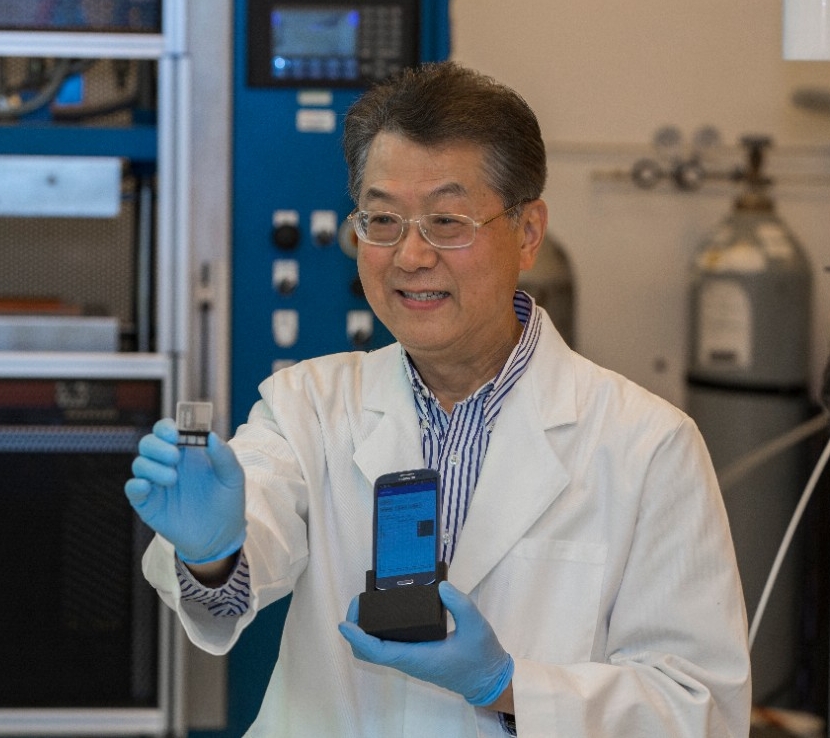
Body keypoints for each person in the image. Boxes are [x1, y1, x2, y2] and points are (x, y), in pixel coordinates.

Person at [126, 61, 751, 736]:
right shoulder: (308, 405)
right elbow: (248, 556)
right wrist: (210, 552)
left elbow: (700, 709)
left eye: (447, 221)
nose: (410, 256)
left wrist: (510, 686)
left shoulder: (647, 445)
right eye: (382, 219)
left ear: (528, 232)